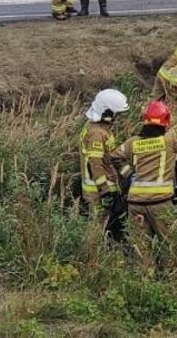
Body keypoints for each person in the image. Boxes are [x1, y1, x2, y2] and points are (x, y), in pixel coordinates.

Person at [108, 100, 177, 242]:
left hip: (135, 205)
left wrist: (128, 174)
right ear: (166, 120)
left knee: (142, 250)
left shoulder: (132, 143)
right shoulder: (169, 140)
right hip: (160, 204)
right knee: (170, 246)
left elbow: (114, 157)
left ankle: (145, 265)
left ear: (145, 120)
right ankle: (172, 266)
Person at [79, 88, 128, 239]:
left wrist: (128, 174)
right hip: (98, 190)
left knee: (104, 224)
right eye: (116, 113)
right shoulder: (97, 134)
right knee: (98, 226)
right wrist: (105, 190)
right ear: (107, 112)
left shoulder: (99, 128)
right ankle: (92, 255)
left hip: (101, 186)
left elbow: (110, 158)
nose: (117, 117)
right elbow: (96, 165)